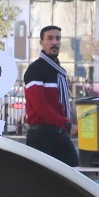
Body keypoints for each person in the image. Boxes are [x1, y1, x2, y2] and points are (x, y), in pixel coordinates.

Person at [23, 25, 78, 165]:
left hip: (59, 133)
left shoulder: (59, 71)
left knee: (74, 171)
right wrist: (66, 124)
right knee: (39, 177)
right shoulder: (35, 69)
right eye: (50, 38)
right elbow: (40, 106)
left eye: (58, 38)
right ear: (41, 42)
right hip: (41, 136)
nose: (54, 42)